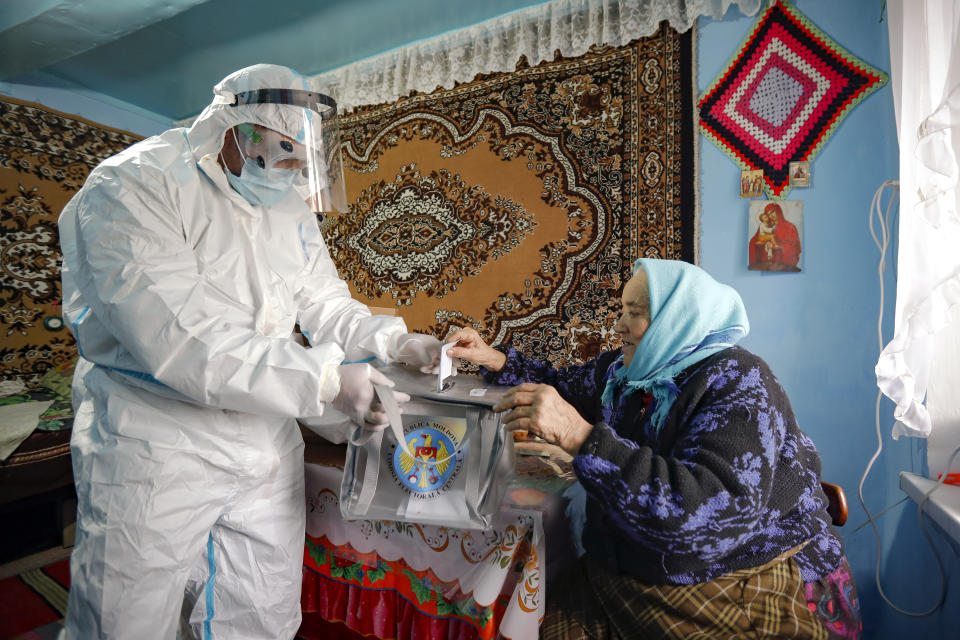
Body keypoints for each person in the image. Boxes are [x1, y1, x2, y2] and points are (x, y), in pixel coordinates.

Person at [57, 64, 442, 640]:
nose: (292, 172)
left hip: (263, 438)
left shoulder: (284, 205)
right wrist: (329, 379)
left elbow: (324, 302)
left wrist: (392, 339)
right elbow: (185, 338)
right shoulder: (133, 185)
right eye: (286, 153)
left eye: (303, 158)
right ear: (237, 131)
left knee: (260, 612)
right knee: (126, 619)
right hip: (155, 441)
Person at [446, 258, 860, 639]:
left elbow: (702, 520)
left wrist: (578, 435)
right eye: (622, 310)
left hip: (733, 578)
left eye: (636, 312)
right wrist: (495, 359)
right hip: (632, 570)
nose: (620, 325)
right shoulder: (626, 373)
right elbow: (565, 389)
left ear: (677, 318)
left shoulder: (739, 383)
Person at [749, 201, 801, 270]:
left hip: (783, 264)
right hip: (766, 263)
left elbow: (792, 247)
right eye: (768, 214)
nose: (771, 216)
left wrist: (777, 247)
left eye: (772, 212)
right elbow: (754, 240)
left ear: (778, 211)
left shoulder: (790, 227)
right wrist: (761, 242)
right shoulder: (766, 225)